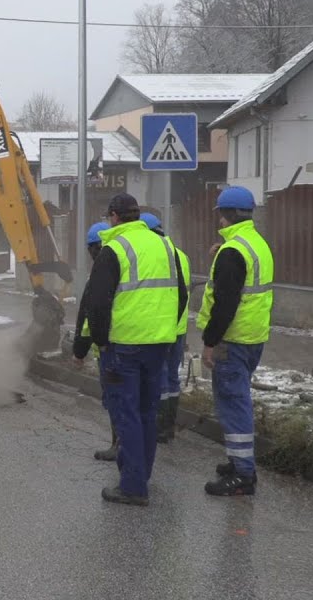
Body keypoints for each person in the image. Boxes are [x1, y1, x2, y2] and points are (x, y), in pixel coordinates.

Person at [73, 194, 186, 506]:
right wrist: (165, 330)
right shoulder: (165, 245)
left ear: (113, 216)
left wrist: (98, 340)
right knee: (148, 412)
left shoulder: (114, 249)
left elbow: (95, 303)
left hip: (124, 347)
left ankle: (134, 486)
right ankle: (140, 475)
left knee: (126, 415)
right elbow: (182, 294)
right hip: (159, 343)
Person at [196, 185, 274, 497]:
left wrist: (210, 341)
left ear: (225, 215)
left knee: (233, 403)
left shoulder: (232, 252)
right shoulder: (256, 243)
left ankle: (243, 474)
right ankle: (238, 461)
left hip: (233, 338)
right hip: (254, 336)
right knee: (236, 400)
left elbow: (225, 303)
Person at [140, 212, 191, 445]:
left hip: (159, 329)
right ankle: (169, 425)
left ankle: (159, 426)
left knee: (159, 378)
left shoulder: (155, 256)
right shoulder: (181, 255)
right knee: (172, 377)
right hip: (178, 328)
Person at [72, 221, 117, 462]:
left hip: (112, 347)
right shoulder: (127, 262)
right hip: (146, 342)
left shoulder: (103, 270)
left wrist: (80, 350)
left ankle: (119, 445)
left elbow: (90, 312)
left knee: (117, 400)